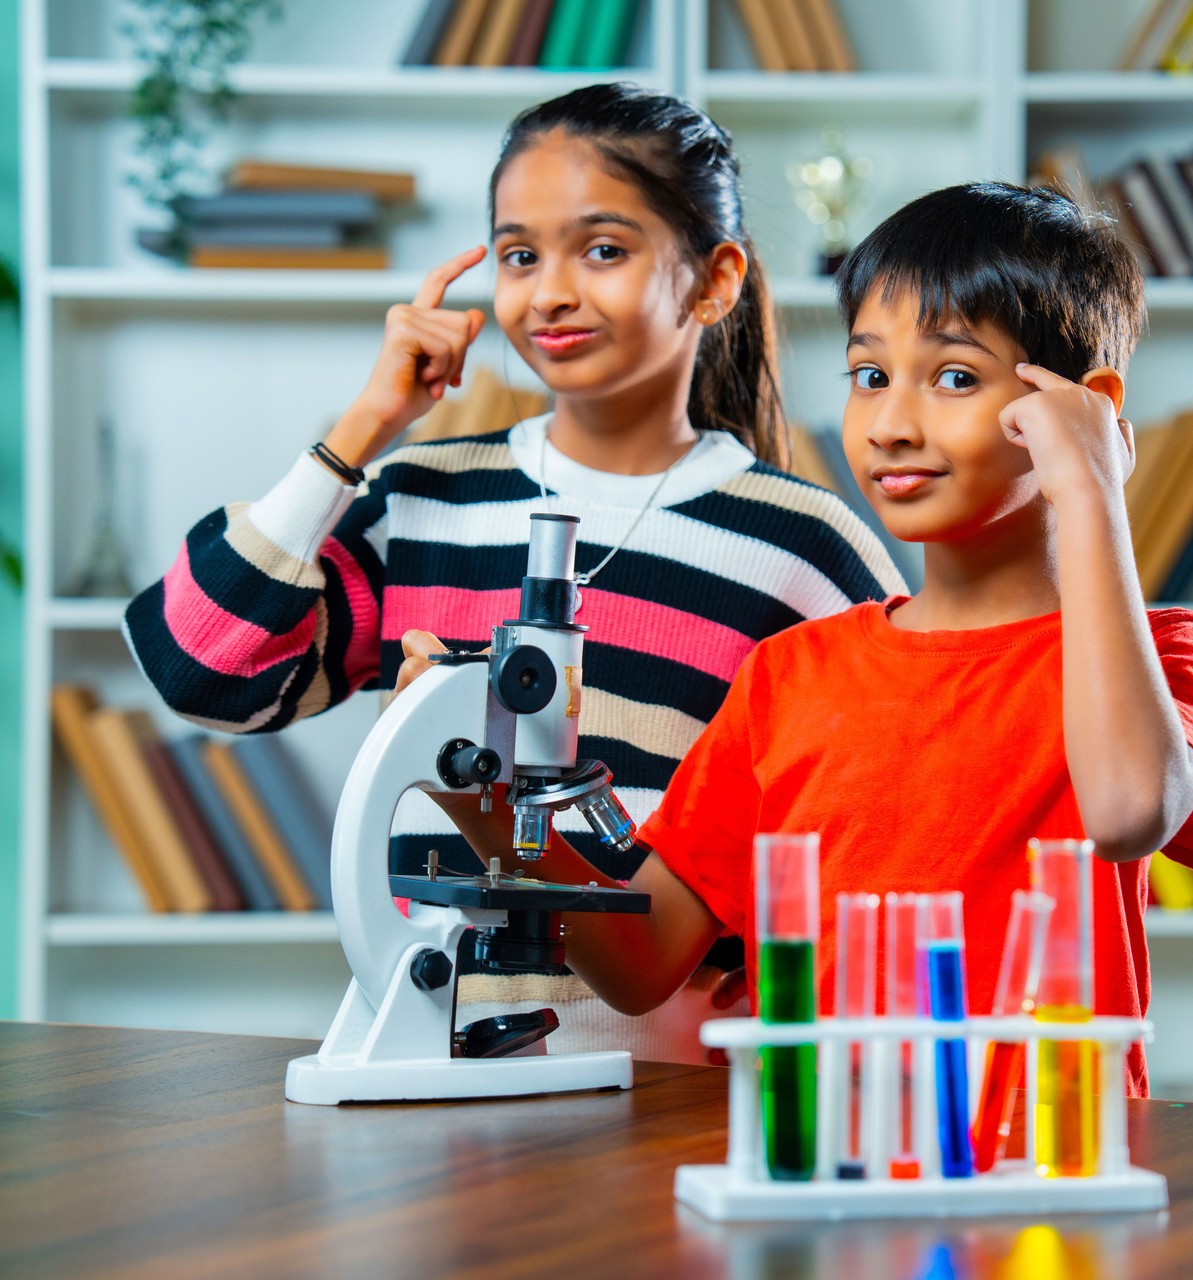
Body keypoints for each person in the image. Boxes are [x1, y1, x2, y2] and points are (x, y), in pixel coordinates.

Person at [123, 84, 904, 1062]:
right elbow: (198, 668)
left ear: (714, 281)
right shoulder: (421, 499)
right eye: (519, 254)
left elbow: (888, 825)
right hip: (428, 1066)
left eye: (603, 249)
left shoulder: (803, 546)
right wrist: (361, 429)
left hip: (674, 1092)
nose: (550, 292)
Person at [416, 181, 1193, 1094]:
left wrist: (1092, 489)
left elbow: (1131, 812)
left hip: (1052, 1165)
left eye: (956, 377)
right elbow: (639, 961)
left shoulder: (1161, 657)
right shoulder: (790, 674)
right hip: (818, 1166)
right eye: (870, 376)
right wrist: (472, 785)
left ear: (1084, 408)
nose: (891, 425)